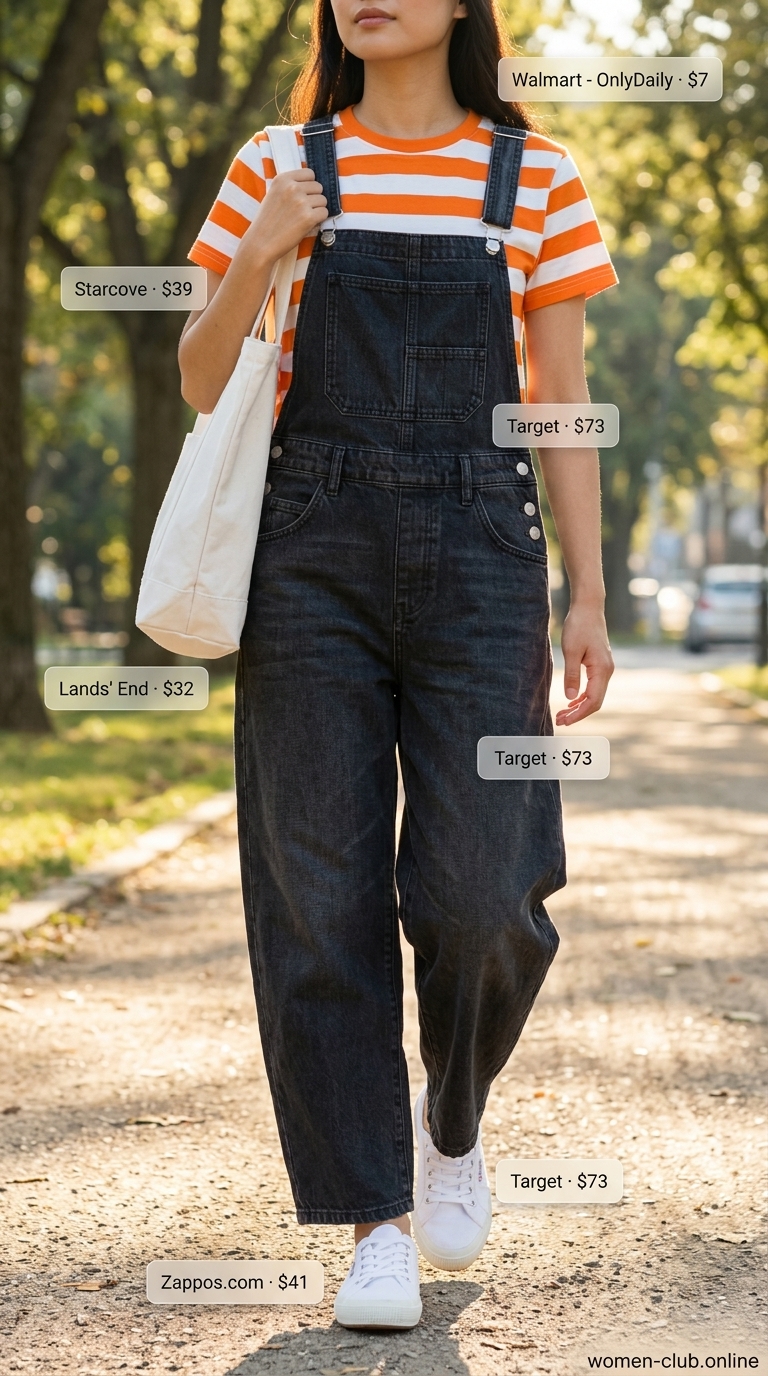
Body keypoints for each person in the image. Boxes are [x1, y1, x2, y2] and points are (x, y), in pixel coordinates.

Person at [179, 0, 616, 1332]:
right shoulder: (277, 161)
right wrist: (261, 250)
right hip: (305, 562)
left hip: (486, 555)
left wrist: (587, 590)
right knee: (318, 893)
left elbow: (556, 392)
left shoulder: (530, 175)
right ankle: (372, 1217)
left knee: (489, 886)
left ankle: (453, 1116)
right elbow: (204, 378)